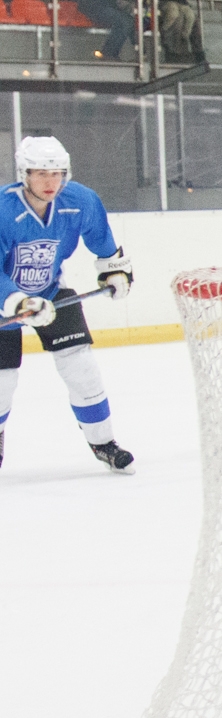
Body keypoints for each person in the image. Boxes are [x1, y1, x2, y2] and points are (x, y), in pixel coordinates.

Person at [0, 137, 136, 473]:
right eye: (41, 174)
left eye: (58, 173)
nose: (51, 182)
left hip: (50, 291)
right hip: (4, 300)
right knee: (3, 383)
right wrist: (18, 301)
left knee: (82, 370)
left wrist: (115, 271)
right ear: (23, 174)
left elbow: (103, 242)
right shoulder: (3, 209)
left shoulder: (80, 200)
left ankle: (103, 442)